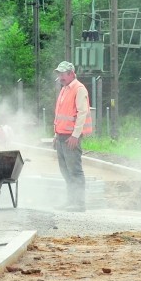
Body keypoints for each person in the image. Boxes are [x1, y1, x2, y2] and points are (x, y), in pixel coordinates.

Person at [53, 61, 93, 212]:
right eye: (59, 74)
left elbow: (82, 113)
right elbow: (60, 114)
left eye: (62, 74)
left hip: (71, 138)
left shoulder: (79, 89)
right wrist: (56, 134)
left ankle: (79, 203)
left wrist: (75, 135)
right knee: (65, 171)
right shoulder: (64, 89)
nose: (60, 77)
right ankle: (71, 201)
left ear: (71, 74)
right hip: (62, 136)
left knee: (75, 170)